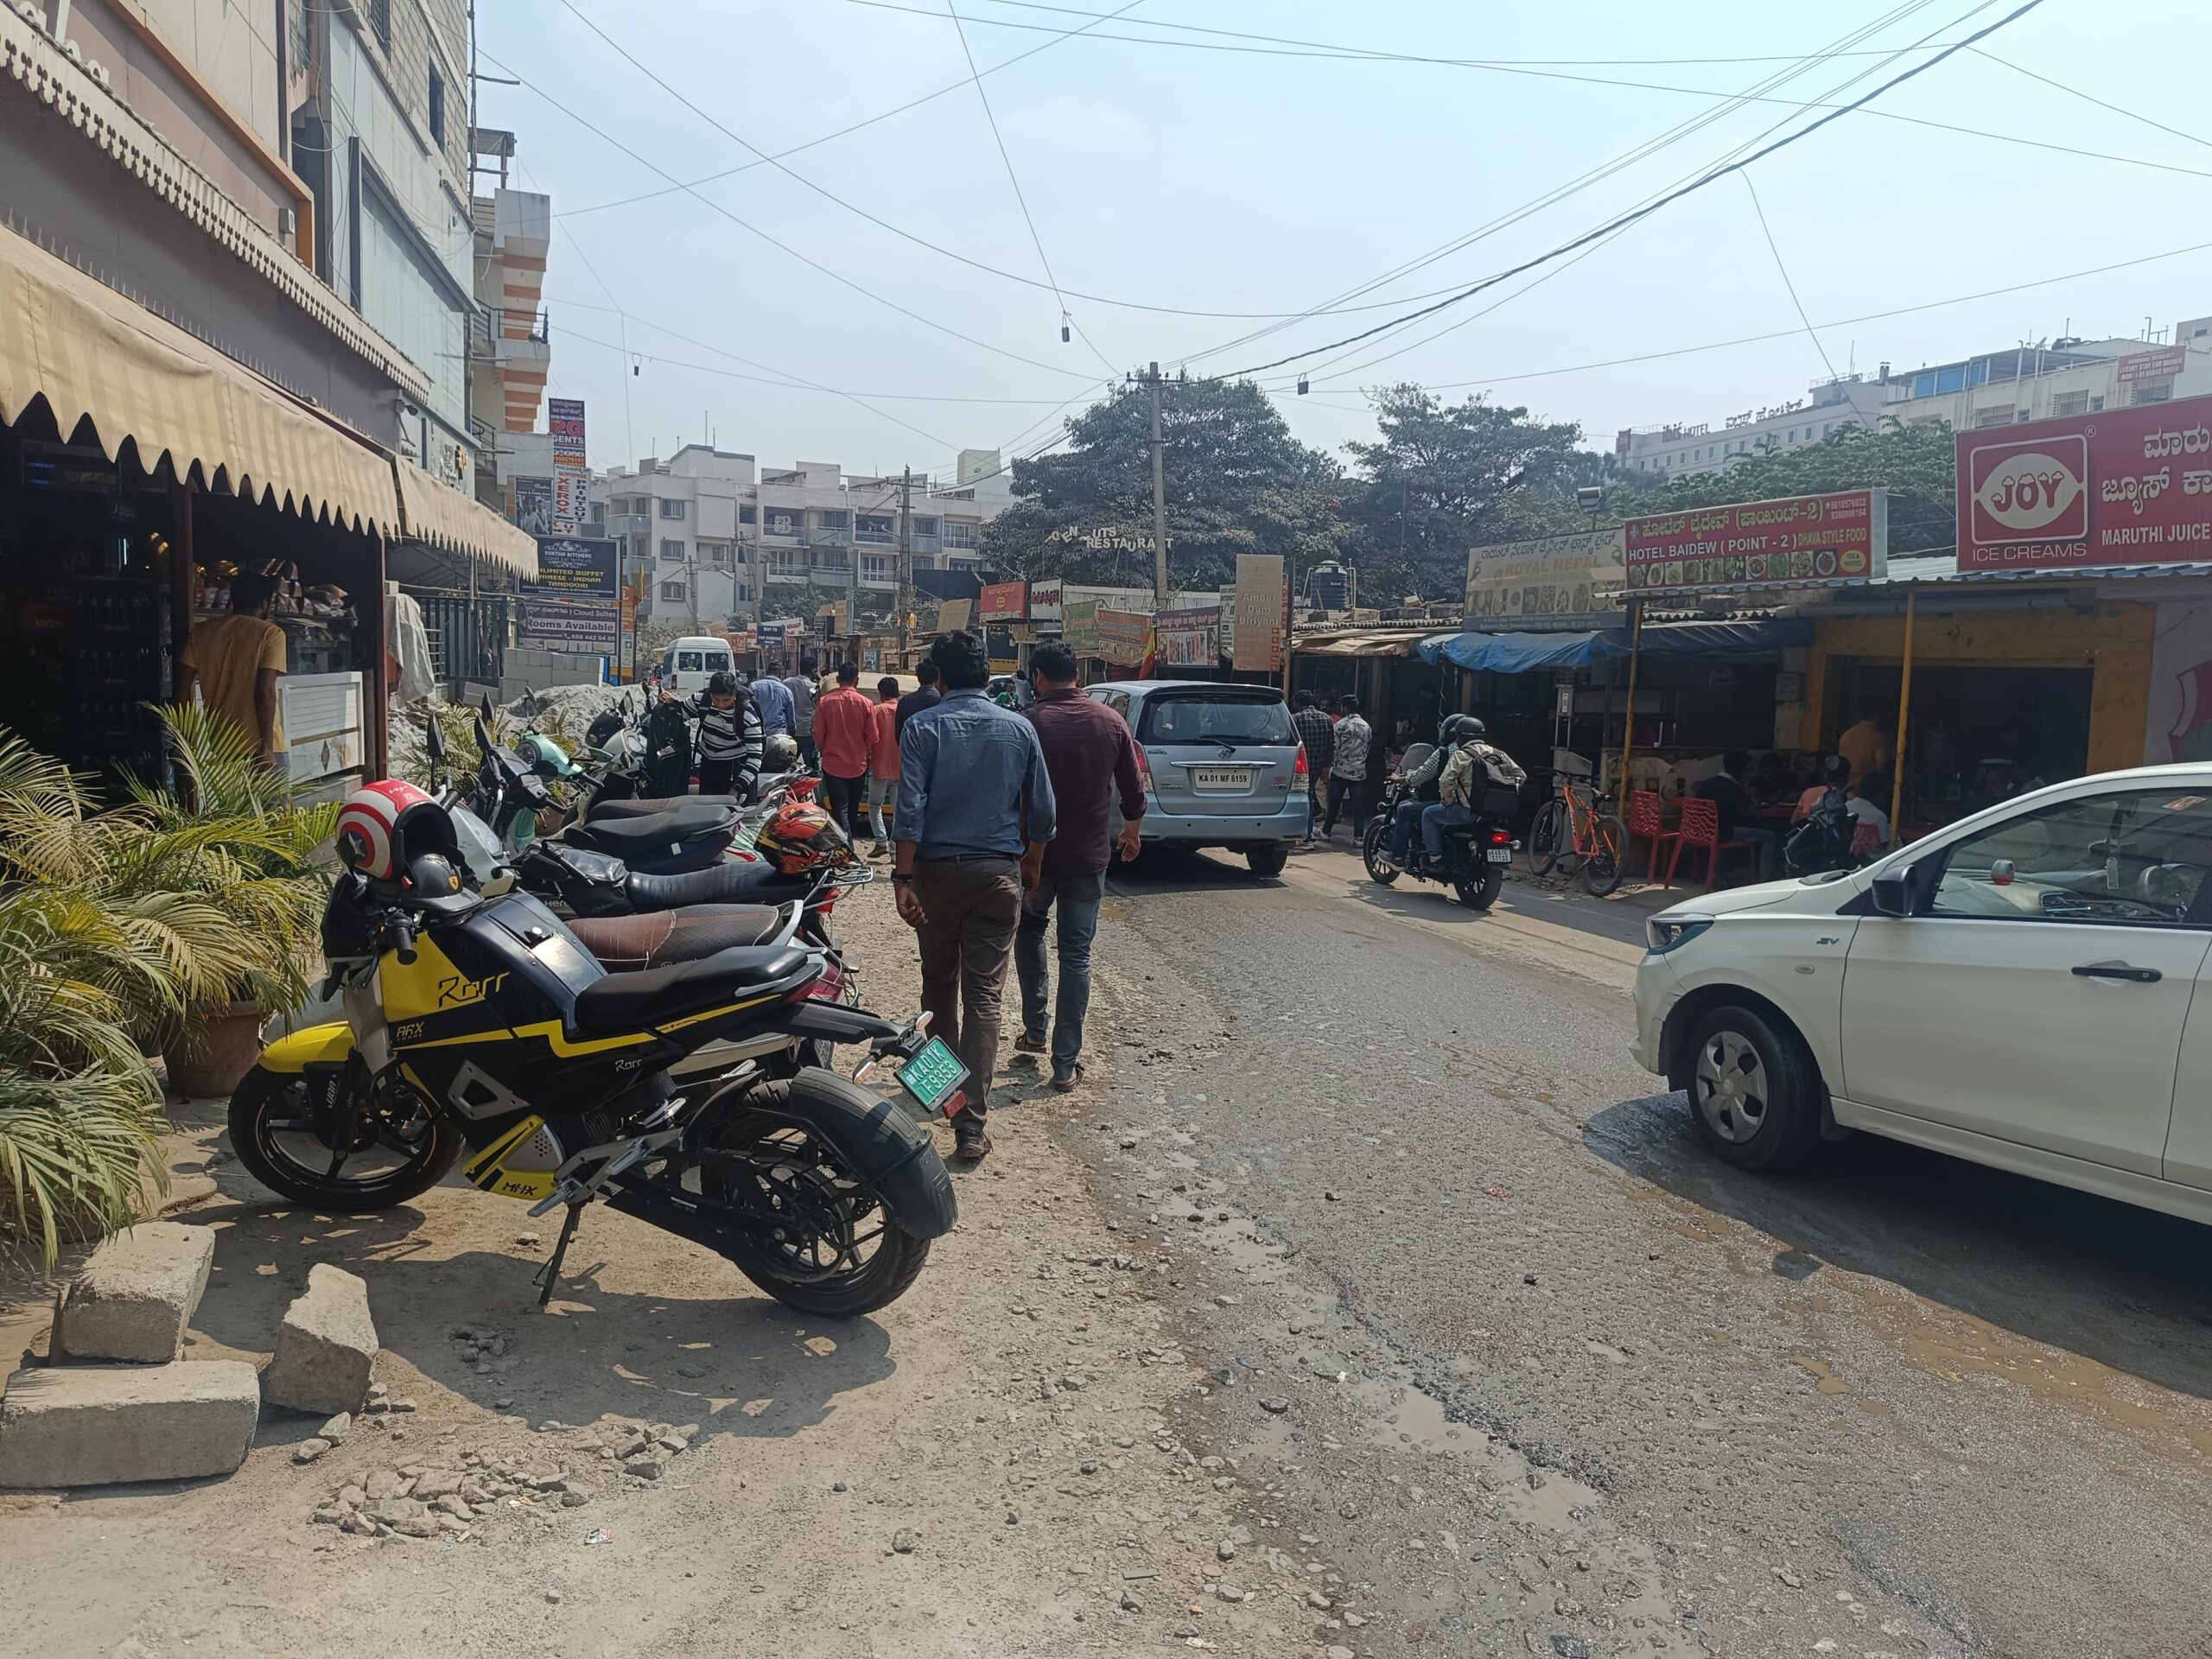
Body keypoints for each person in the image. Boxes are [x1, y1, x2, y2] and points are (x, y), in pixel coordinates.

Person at [894, 630, 1057, 1162]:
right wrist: (1031, 861)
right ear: (986, 675)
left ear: (938, 678)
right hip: (997, 876)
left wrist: (903, 877)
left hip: (937, 875)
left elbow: (911, 807)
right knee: (984, 998)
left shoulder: (922, 727)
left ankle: (947, 1102)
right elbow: (1045, 809)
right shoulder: (1019, 727)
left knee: (937, 986)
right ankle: (971, 1125)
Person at [1013, 641, 1141, 1091]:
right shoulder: (1111, 721)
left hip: (1035, 858)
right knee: (1077, 955)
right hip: (1088, 858)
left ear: (1038, 678)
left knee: (1029, 930)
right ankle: (1064, 1064)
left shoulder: (1028, 723)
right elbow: (1132, 787)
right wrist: (1132, 831)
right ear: (1078, 677)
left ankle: (1034, 1027)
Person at [178, 569, 287, 768]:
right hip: (260, 748)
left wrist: (186, 741)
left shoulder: (201, 633)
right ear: (264, 603)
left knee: (232, 801)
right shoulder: (271, 634)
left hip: (223, 746)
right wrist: (268, 748)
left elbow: (183, 690)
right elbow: (265, 690)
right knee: (272, 800)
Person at [1421, 716, 1523, 867]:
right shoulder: (1498, 753)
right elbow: (1521, 776)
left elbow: (1445, 781)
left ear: (1462, 737)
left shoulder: (1462, 754)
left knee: (1428, 814)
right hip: (1495, 814)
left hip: (1468, 812)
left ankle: (1435, 858)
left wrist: (1448, 802)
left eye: (1457, 736)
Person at [662, 668, 761, 799]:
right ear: (710, 693)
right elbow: (678, 715)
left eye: (726, 700)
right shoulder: (701, 701)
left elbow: (755, 758)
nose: (720, 704)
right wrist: (667, 703)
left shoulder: (746, 714)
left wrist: (737, 787)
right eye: (716, 699)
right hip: (709, 766)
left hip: (736, 770)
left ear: (734, 695)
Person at [812, 662, 877, 837]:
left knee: (839, 807)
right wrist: (865, 751)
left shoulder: (825, 702)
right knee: (852, 807)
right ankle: (849, 842)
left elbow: (818, 733)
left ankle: (846, 844)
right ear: (856, 681)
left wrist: (825, 749)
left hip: (832, 764)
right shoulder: (867, 704)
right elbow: (873, 736)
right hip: (858, 764)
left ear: (839, 679)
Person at [1697, 750, 1777, 882]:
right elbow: (1756, 814)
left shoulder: (1707, 784)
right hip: (1724, 833)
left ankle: (1724, 870)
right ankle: (1766, 878)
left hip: (1702, 832)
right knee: (1769, 836)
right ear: (1743, 770)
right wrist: (1754, 799)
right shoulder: (1734, 789)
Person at [1385, 728, 1450, 869]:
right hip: (1474, 808)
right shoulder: (1483, 752)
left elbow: (1422, 774)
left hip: (1449, 805)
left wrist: (1402, 779)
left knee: (1405, 810)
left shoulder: (1446, 753)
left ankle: (1397, 856)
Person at [1320, 692, 1372, 839]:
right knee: (1358, 806)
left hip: (1340, 770)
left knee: (1334, 803)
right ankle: (1358, 837)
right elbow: (1367, 749)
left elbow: (1334, 747)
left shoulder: (1340, 726)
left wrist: (1329, 766)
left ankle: (1326, 831)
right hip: (1359, 771)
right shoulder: (1366, 726)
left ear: (1345, 708)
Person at [1289, 690, 1334, 847]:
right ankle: (1306, 834)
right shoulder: (1327, 719)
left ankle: (1306, 836)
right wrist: (1326, 767)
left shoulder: (1295, 719)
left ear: (1297, 703)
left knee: (1303, 798)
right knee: (1308, 795)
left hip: (1299, 767)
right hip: (1319, 766)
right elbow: (1331, 746)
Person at [865, 675, 902, 855]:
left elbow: (871, 737)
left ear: (881, 694)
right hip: (901, 768)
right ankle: (895, 851)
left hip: (879, 766)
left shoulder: (876, 710)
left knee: (874, 805)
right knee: (898, 811)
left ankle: (881, 841)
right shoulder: (904, 710)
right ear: (898, 693)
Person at [784, 652, 822, 767]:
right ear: (814, 670)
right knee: (810, 765)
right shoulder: (814, 687)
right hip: (807, 730)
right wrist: (821, 680)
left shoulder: (787, 683)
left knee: (789, 764)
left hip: (790, 731)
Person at [1837, 712, 1891, 789]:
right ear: (1877, 716)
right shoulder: (1879, 737)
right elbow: (1882, 766)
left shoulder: (1846, 734)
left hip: (1845, 786)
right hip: (1866, 788)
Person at [896, 657, 943, 738]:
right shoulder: (943, 701)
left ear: (918, 678)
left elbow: (899, 736)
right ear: (937, 678)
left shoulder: (905, 702)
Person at [1795, 755, 1851, 820]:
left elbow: (1794, 821)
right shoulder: (1848, 797)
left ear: (1825, 774)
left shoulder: (1809, 792)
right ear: (1847, 776)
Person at [749, 665, 794, 741]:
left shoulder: (753, 686)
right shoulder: (786, 691)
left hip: (756, 732)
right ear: (778, 673)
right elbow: (791, 721)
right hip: (778, 736)